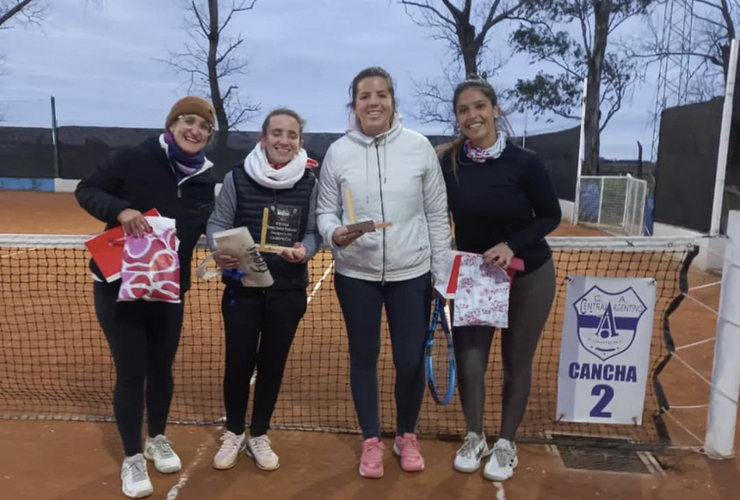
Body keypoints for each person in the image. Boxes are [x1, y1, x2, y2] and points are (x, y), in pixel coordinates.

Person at [75, 96, 217, 498]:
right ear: (172, 124)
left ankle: (156, 437)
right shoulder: (134, 157)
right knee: (132, 371)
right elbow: (87, 190)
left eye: (203, 126)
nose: (195, 130)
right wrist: (120, 211)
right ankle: (133, 458)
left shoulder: (204, 175)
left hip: (168, 289)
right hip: (119, 285)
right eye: (188, 121)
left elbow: (197, 227)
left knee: (162, 368)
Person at [316, 67, 451, 479]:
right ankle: (371, 438)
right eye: (364, 96)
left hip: (411, 274)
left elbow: (436, 214)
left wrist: (441, 272)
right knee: (364, 356)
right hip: (356, 275)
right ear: (353, 104)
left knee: (409, 361)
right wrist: (333, 234)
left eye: (381, 94)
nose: (373, 102)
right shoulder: (338, 153)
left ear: (393, 101)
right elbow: (324, 210)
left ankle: (406, 433)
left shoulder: (419, 147)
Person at [437, 76, 561, 481]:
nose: (471, 116)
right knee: (470, 360)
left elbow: (550, 215)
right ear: (457, 117)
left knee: (516, 363)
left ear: (495, 110)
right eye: (462, 110)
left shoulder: (525, 163)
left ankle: (506, 443)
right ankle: (475, 436)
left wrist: (512, 244)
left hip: (529, 273)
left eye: (478, 107)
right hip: (475, 276)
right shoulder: (448, 162)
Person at [206, 108, 321, 472]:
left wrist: (306, 250)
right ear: (263, 138)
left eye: (291, 134)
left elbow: (315, 230)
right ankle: (235, 431)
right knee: (238, 362)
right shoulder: (237, 178)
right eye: (276, 133)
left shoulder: (310, 182)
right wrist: (218, 249)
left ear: (300, 141)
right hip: (243, 288)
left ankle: (259, 433)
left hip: (287, 290)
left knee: (272, 364)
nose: (283, 141)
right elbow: (217, 222)